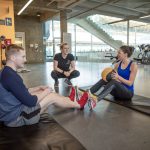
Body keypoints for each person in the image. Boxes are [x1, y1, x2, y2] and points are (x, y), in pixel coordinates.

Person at [0, 44, 88, 127]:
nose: (25, 60)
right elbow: (31, 101)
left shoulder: (7, 72)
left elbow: (22, 91)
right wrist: (46, 92)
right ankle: (79, 105)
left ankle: (70, 100)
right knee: (51, 96)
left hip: (13, 113)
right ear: (13, 58)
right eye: (23, 57)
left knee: (43, 92)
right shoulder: (10, 76)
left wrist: (38, 88)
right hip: (16, 118)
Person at [81, 45, 138, 110]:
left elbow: (130, 83)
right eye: (117, 53)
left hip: (127, 93)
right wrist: (108, 75)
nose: (117, 54)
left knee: (114, 82)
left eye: (119, 53)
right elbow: (112, 77)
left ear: (125, 54)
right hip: (117, 93)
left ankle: (96, 100)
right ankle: (85, 95)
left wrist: (118, 77)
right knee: (104, 80)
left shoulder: (133, 65)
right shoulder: (117, 64)